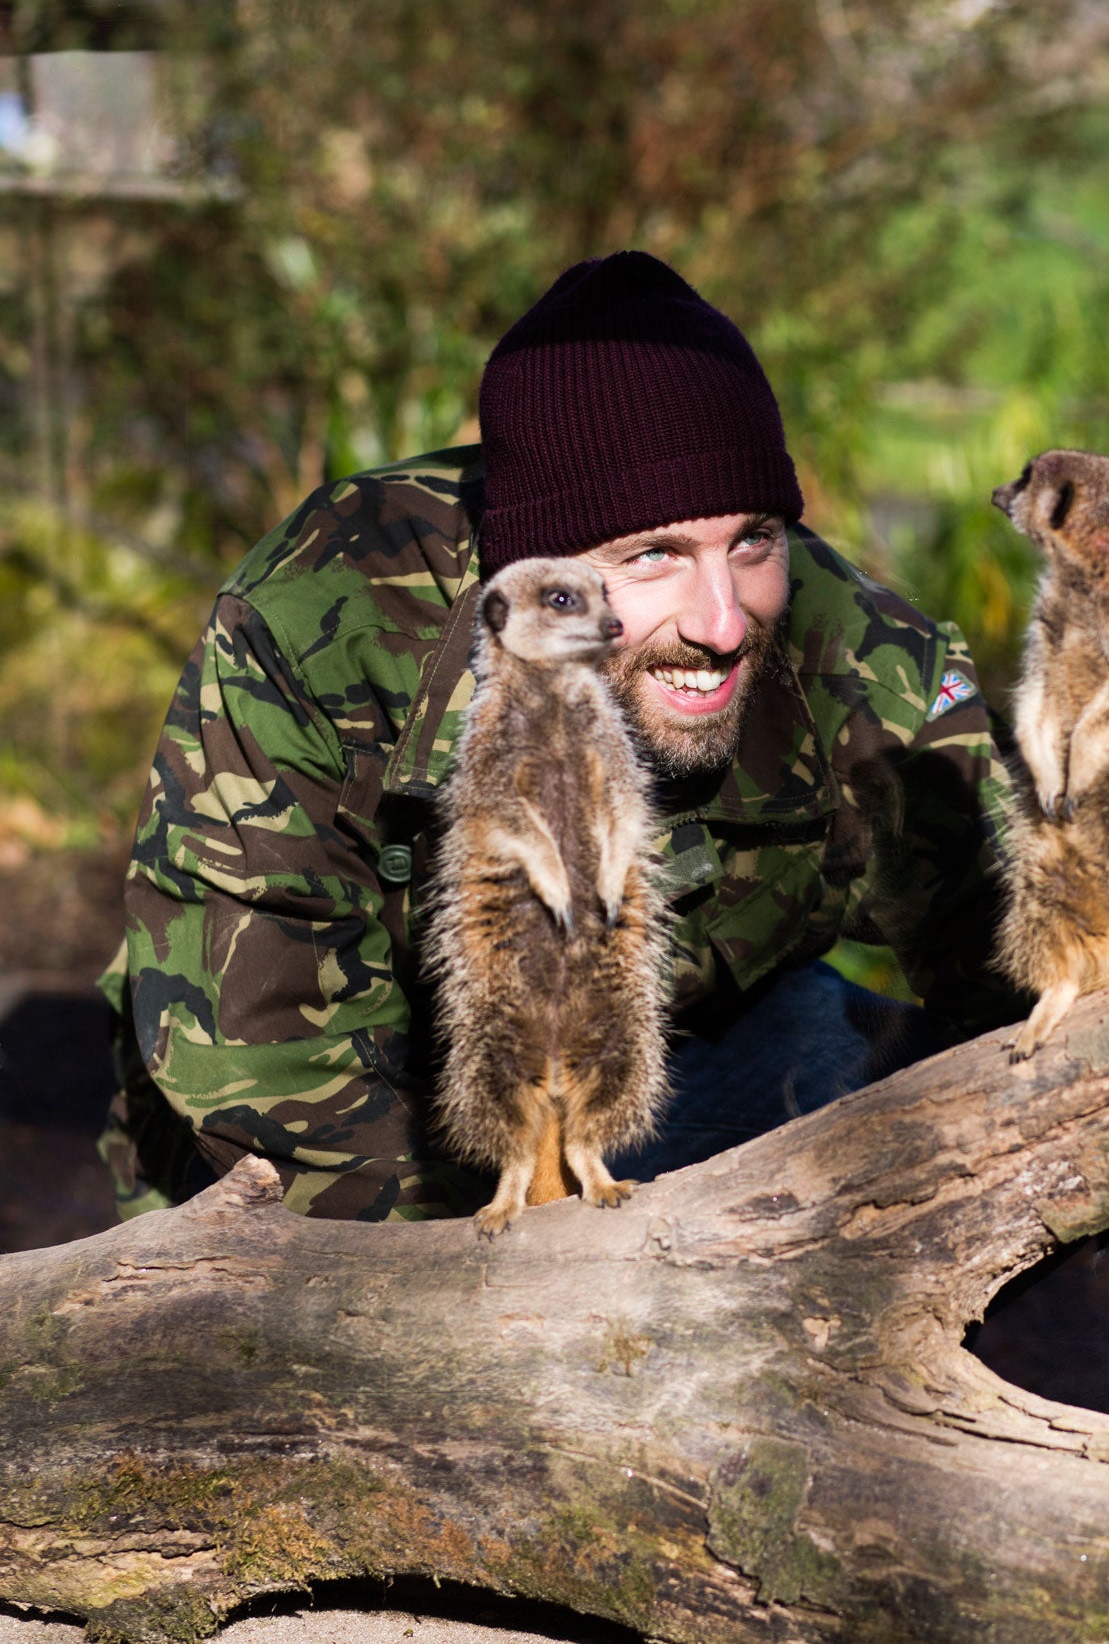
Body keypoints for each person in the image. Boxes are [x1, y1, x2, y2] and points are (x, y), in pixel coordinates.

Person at [98, 252, 1021, 1222]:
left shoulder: (863, 655)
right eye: (653, 555)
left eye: (752, 539)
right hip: (355, 1110)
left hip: (664, 1050)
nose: (721, 620)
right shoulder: (311, 626)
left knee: (848, 1079)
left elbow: (1020, 929)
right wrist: (509, 1303)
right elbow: (262, 1051)